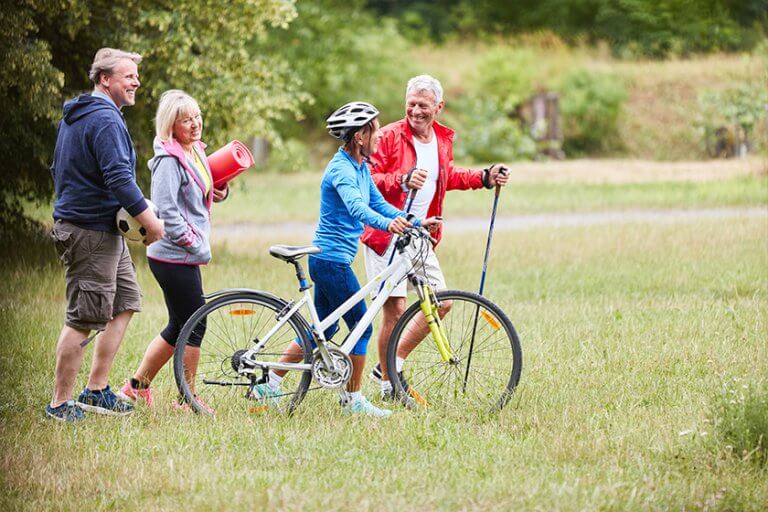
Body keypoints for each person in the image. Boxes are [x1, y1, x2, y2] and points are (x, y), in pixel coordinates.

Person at [250, 101, 439, 417]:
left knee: (323, 329)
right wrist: (388, 225)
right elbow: (357, 209)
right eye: (375, 130)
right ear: (360, 136)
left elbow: (378, 204)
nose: (379, 135)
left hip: (333, 260)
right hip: (331, 262)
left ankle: (268, 383)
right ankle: (352, 401)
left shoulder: (361, 167)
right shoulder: (341, 169)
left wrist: (415, 221)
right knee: (361, 328)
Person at [360, 74, 509, 402]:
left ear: (438, 107)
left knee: (442, 302)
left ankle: (389, 365)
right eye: (410, 104)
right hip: (388, 233)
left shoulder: (441, 139)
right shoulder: (387, 137)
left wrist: (485, 177)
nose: (415, 111)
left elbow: (448, 176)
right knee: (395, 310)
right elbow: (367, 180)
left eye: (423, 105)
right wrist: (402, 179)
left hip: (421, 234)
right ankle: (389, 385)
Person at [47, 48, 164, 421]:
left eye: (136, 76)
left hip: (101, 228)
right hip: (89, 231)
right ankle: (59, 403)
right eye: (128, 75)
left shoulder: (84, 115)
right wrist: (152, 222)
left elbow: (58, 168)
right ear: (105, 79)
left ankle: (96, 390)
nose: (136, 82)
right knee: (83, 318)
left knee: (125, 302)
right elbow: (119, 179)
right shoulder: (103, 119)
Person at [116, 90, 229, 412]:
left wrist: (217, 191)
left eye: (197, 117)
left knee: (180, 324)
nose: (195, 124)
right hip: (172, 253)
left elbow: (197, 192)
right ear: (171, 125)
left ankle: (136, 387)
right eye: (186, 120)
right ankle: (187, 398)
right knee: (196, 322)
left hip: (183, 254)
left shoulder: (193, 151)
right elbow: (165, 210)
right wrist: (194, 242)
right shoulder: (168, 159)